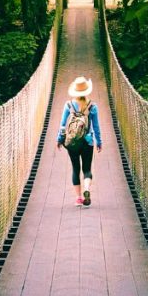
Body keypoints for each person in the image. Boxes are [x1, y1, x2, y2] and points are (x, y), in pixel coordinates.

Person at [56, 76, 102, 207]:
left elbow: (63, 126)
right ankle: (87, 188)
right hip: (87, 142)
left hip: (72, 143)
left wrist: (59, 140)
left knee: (75, 168)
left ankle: (78, 198)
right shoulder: (92, 106)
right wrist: (99, 142)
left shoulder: (68, 105)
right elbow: (96, 127)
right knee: (87, 169)